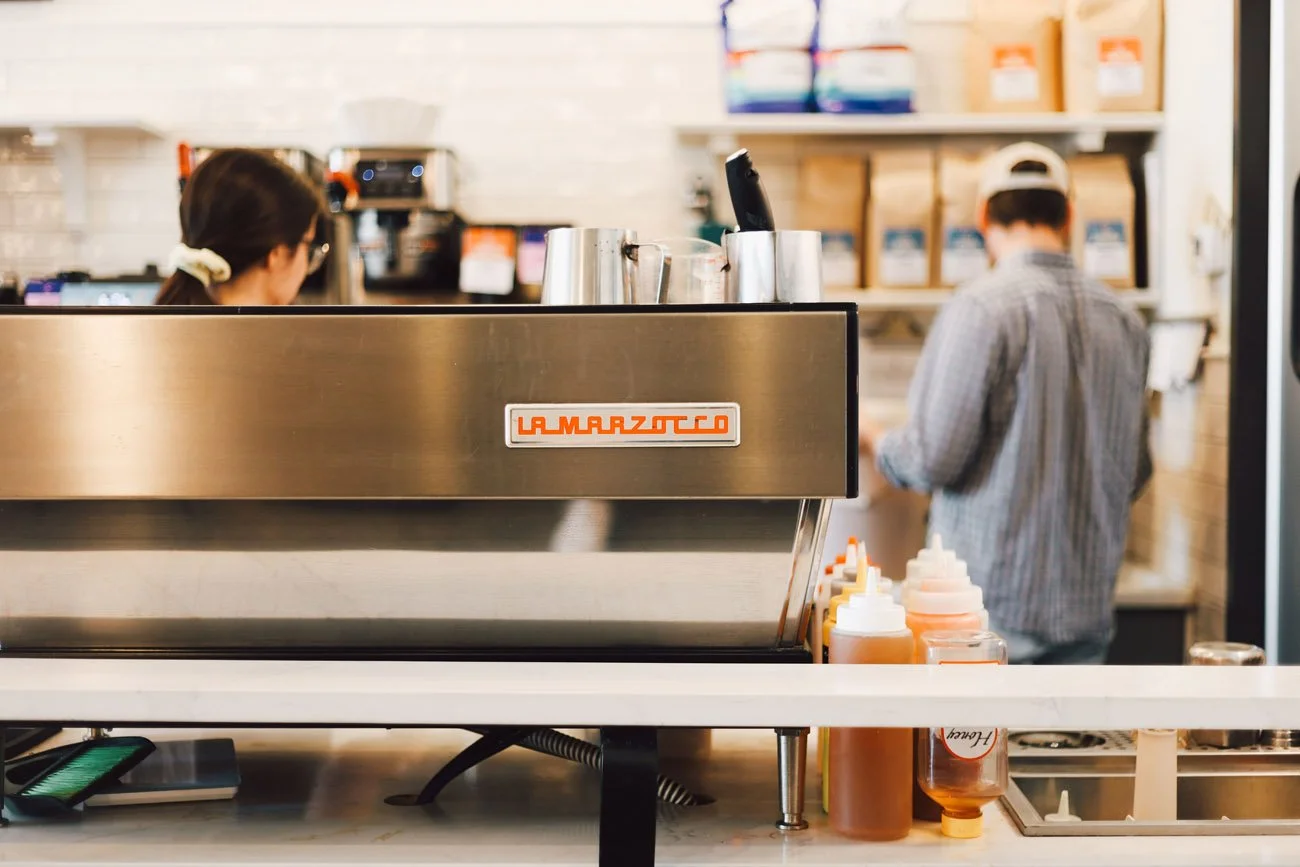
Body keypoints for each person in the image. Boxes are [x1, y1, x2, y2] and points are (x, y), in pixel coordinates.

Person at [859, 142, 1151, 665]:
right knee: (1073, 748)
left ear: (983, 217)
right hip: (1088, 625)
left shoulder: (980, 308)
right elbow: (1134, 473)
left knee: (978, 751)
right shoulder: (1126, 322)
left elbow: (930, 459)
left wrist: (874, 435)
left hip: (984, 633)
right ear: (1069, 215)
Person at [155, 148, 328, 306]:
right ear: (277, 253)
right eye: (308, 246)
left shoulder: (159, 330)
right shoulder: (276, 339)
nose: (306, 268)